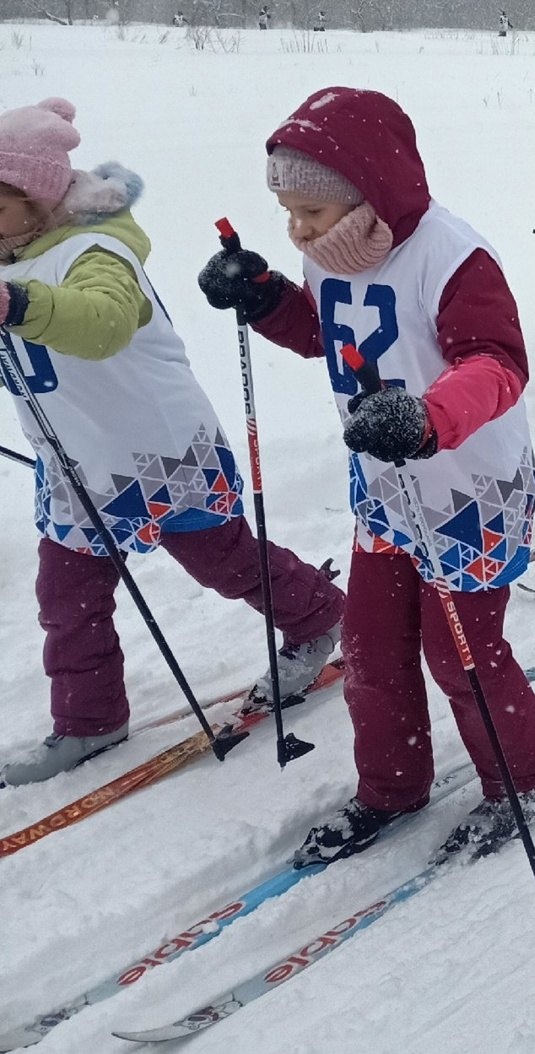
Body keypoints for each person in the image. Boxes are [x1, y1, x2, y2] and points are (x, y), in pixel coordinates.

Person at [198, 86, 535, 864]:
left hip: (469, 492)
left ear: (367, 196)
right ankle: (392, 785)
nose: (296, 230)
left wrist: (431, 416)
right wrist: (264, 298)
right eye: (288, 215)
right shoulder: (332, 254)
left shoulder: (451, 257)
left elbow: (497, 364)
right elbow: (335, 338)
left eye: (310, 214)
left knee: (459, 653)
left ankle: (524, 780)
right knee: (368, 647)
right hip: (390, 491)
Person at [0, 98, 342, 786]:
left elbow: (100, 325)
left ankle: (317, 616)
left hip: (159, 451)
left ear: (37, 200)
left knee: (222, 561)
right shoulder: (14, 253)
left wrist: (17, 306)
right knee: (67, 594)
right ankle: (91, 719)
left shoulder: (94, 251)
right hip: (77, 461)